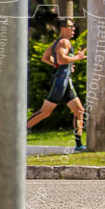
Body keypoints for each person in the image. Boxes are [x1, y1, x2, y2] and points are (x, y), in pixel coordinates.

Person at [27, 18, 87, 150]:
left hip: (65, 80)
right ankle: (19, 131)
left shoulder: (57, 43)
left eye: (73, 27)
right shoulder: (63, 42)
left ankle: (78, 144)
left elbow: (45, 57)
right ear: (63, 28)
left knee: (79, 111)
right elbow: (61, 59)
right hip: (60, 81)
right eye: (71, 27)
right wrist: (76, 58)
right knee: (45, 112)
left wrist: (65, 65)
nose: (73, 29)